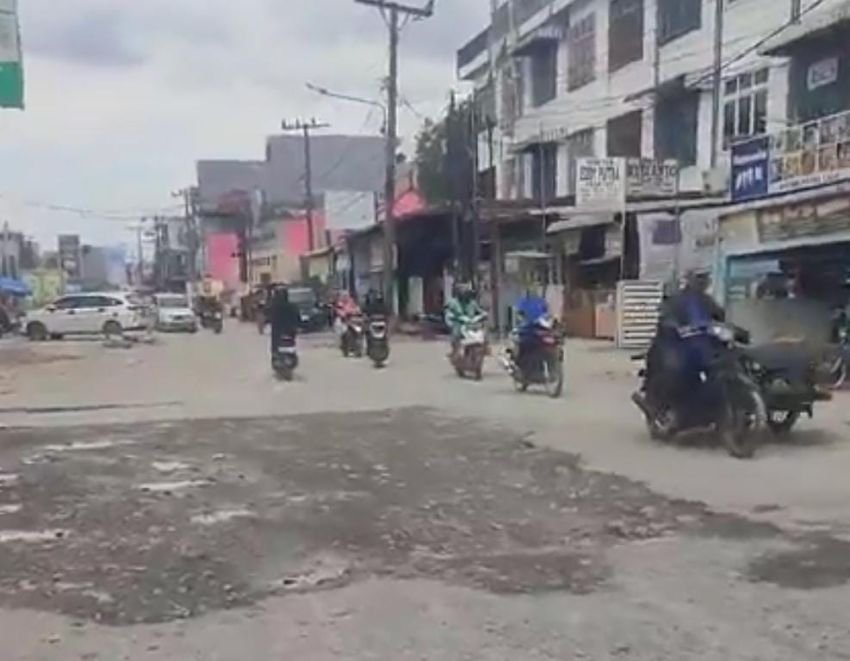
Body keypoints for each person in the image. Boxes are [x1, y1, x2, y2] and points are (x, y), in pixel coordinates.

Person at [444, 282, 483, 358]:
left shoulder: (472, 303)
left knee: (482, 335)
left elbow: (481, 312)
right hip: (459, 324)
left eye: (467, 292)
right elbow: (448, 313)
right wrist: (453, 318)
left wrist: (481, 316)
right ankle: (455, 350)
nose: (465, 294)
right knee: (456, 333)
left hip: (471, 325)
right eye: (464, 292)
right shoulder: (453, 302)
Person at [268, 286, 301, 354]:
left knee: (276, 347)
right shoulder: (292, 306)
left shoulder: (273, 307)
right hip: (288, 332)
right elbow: (298, 319)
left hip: (280, 333)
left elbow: (266, 315)